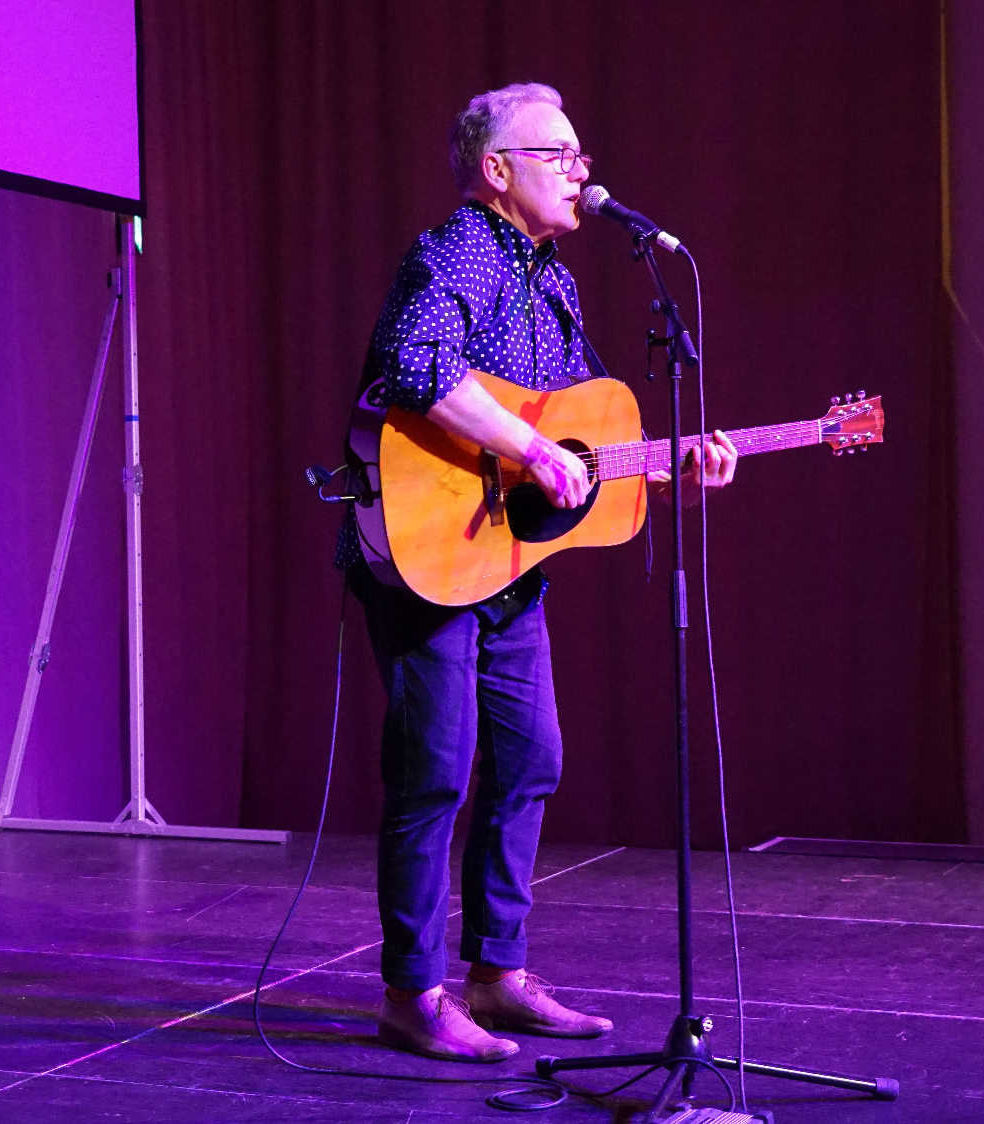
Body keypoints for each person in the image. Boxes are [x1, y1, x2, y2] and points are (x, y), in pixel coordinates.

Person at [341, 82, 738, 1063]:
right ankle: (412, 992)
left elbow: (584, 443)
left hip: (510, 564)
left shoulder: (553, 281)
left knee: (529, 761)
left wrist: (677, 475)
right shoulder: (458, 251)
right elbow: (416, 365)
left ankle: (497, 974)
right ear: (496, 170)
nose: (580, 169)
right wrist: (529, 447)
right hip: (429, 554)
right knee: (436, 771)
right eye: (556, 154)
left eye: (580, 154)